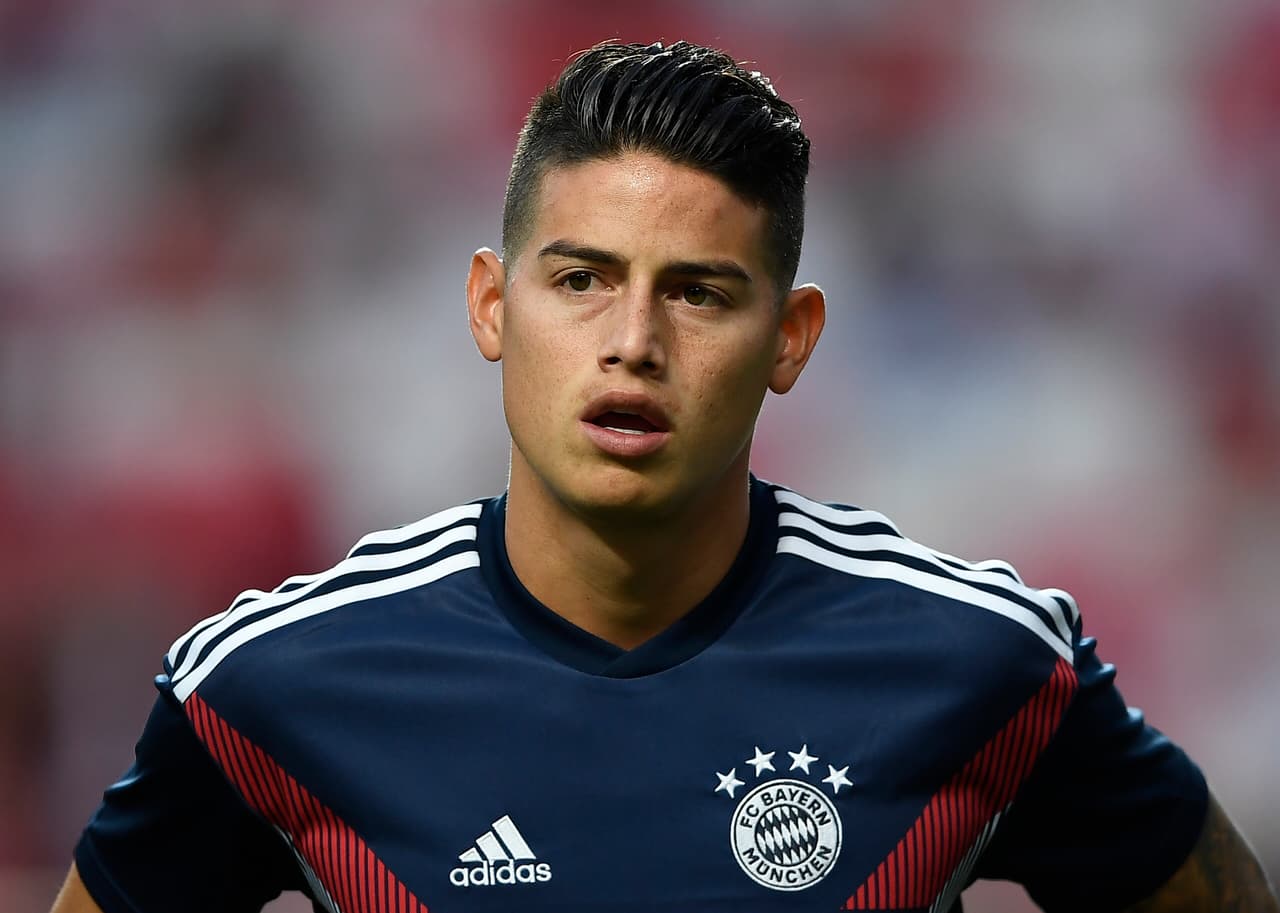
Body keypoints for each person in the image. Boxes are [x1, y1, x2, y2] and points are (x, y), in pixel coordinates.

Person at [51, 40, 1277, 913]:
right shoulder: (272, 685)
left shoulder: (982, 662)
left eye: (696, 292)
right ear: (491, 304)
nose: (630, 341)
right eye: (579, 279)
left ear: (789, 338)